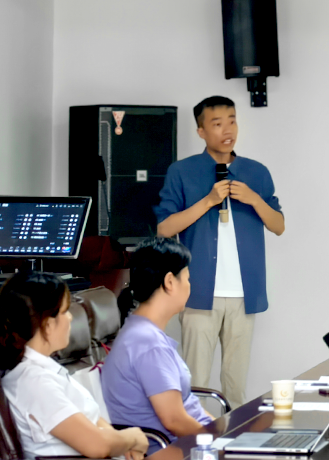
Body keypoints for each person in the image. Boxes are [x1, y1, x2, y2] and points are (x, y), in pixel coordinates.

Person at [154, 95, 284, 408]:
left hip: (244, 294)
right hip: (199, 292)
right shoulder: (182, 171)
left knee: (236, 388)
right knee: (195, 384)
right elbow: (164, 229)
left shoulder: (256, 172)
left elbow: (278, 225)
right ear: (201, 131)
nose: (228, 130)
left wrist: (254, 199)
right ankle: (193, 438)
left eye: (232, 121)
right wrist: (208, 201)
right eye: (217, 123)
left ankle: (232, 437)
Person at [0, 272, 148, 460]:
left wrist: (120, 442)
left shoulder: (44, 371)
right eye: (65, 311)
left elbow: (95, 422)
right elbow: (97, 445)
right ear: (47, 324)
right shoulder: (33, 383)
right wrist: (134, 438)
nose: (70, 318)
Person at [101, 238, 213, 455]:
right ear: (170, 281)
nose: (190, 286)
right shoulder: (148, 343)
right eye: (187, 279)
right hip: (174, 450)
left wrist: (222, 431)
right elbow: (175, 421)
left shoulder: (143, 332)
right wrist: (222, 442)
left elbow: (187, 406)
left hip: (192, 444)